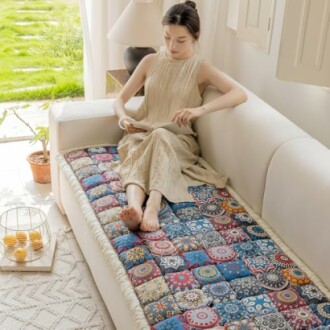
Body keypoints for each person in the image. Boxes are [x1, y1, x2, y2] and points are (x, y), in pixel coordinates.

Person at [113, 0, 247, 232]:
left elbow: (239, 93)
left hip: (178, 141)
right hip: (142, 135)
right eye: (166, 37)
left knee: (162, 136)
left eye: (180, 40)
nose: (171, 46)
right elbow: (119, 100)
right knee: (149, 143)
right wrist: (123, 118)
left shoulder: (201, 68)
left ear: (196, 36)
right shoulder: (150, 61)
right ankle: (134, 208)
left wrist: (200, 110)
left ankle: (153, 206)